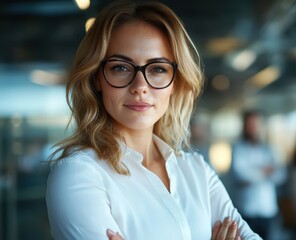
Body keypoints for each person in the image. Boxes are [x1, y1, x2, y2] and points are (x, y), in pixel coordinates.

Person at [45, 1, 261, 239]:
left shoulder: (195, 170)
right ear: (97, 78)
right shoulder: (78, 174)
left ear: (175, 82)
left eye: (157, 69)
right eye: (120, 67)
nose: (140, 87)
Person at [230, 110, 284, 239]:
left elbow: (280, 175)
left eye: (256, 124)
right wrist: (265, 171)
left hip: (268, 209)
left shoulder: (269, 148)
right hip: (247, 209)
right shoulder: (238, 148)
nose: (253, 128)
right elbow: (240, 175)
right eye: (250, 124)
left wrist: (253, 173)